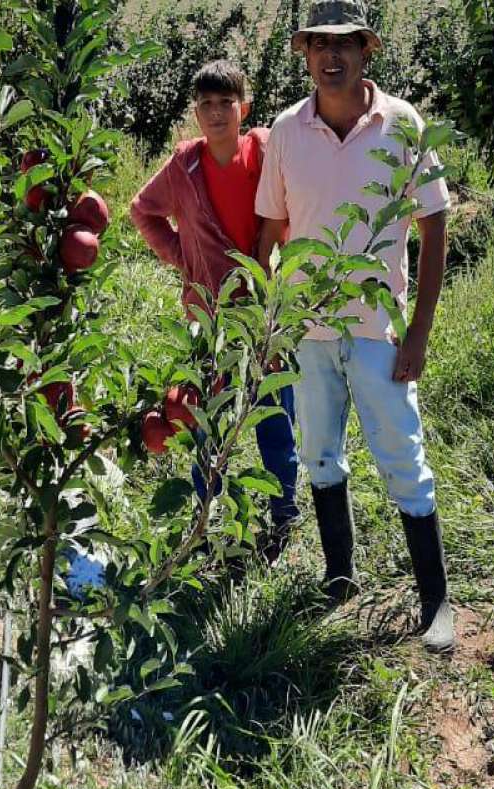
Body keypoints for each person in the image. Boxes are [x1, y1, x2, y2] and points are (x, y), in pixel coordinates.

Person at [255, 0, 455, 651]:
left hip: (378, 329)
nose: (330, 57)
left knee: (402, 458)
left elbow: (433, 225)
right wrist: (264, 318)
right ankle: (339, 578)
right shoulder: (286, 130)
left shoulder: (401, 125)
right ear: (306, 54)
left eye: (344, 45)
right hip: (307, 330)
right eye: (318, 46)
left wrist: (419, 331)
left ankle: (435, 604)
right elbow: (271, 228)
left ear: (367, 52)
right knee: (319, 454)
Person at [130, 60, 300, 562]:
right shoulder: (184, 166)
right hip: (210, 318)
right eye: (205, 104)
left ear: (243, 107)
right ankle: (206, 520)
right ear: (195, 114)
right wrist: (182, 256)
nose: (216, 112)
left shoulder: (266, 150)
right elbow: (143, 211)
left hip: (265, 311)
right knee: (206, 419)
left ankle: (283, 514)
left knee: (274, 414)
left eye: (226, 102)